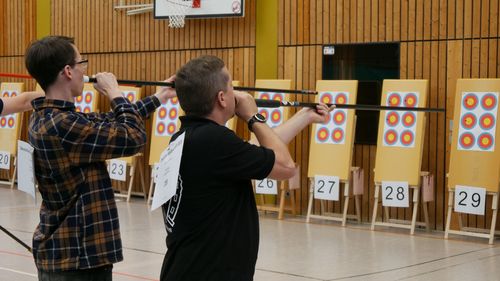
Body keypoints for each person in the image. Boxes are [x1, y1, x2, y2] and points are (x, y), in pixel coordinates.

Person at [160, 55, 332, 281]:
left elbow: (255, 153)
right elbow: (286, 166)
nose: (238, 94)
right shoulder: (214, 140)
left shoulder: (188, 137)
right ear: (221, 98)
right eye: (231, 86)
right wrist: (253, 116)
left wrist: (303, 118)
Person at [24, 35, 175, 281]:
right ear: (68, 71)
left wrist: (159, 98)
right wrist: (115, 93)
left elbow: (108, 123)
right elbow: (132, 137)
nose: (86, 69)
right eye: (81, 62)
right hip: (77, 258)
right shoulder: (63, 125)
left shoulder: (50, 117)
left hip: (70, 256)